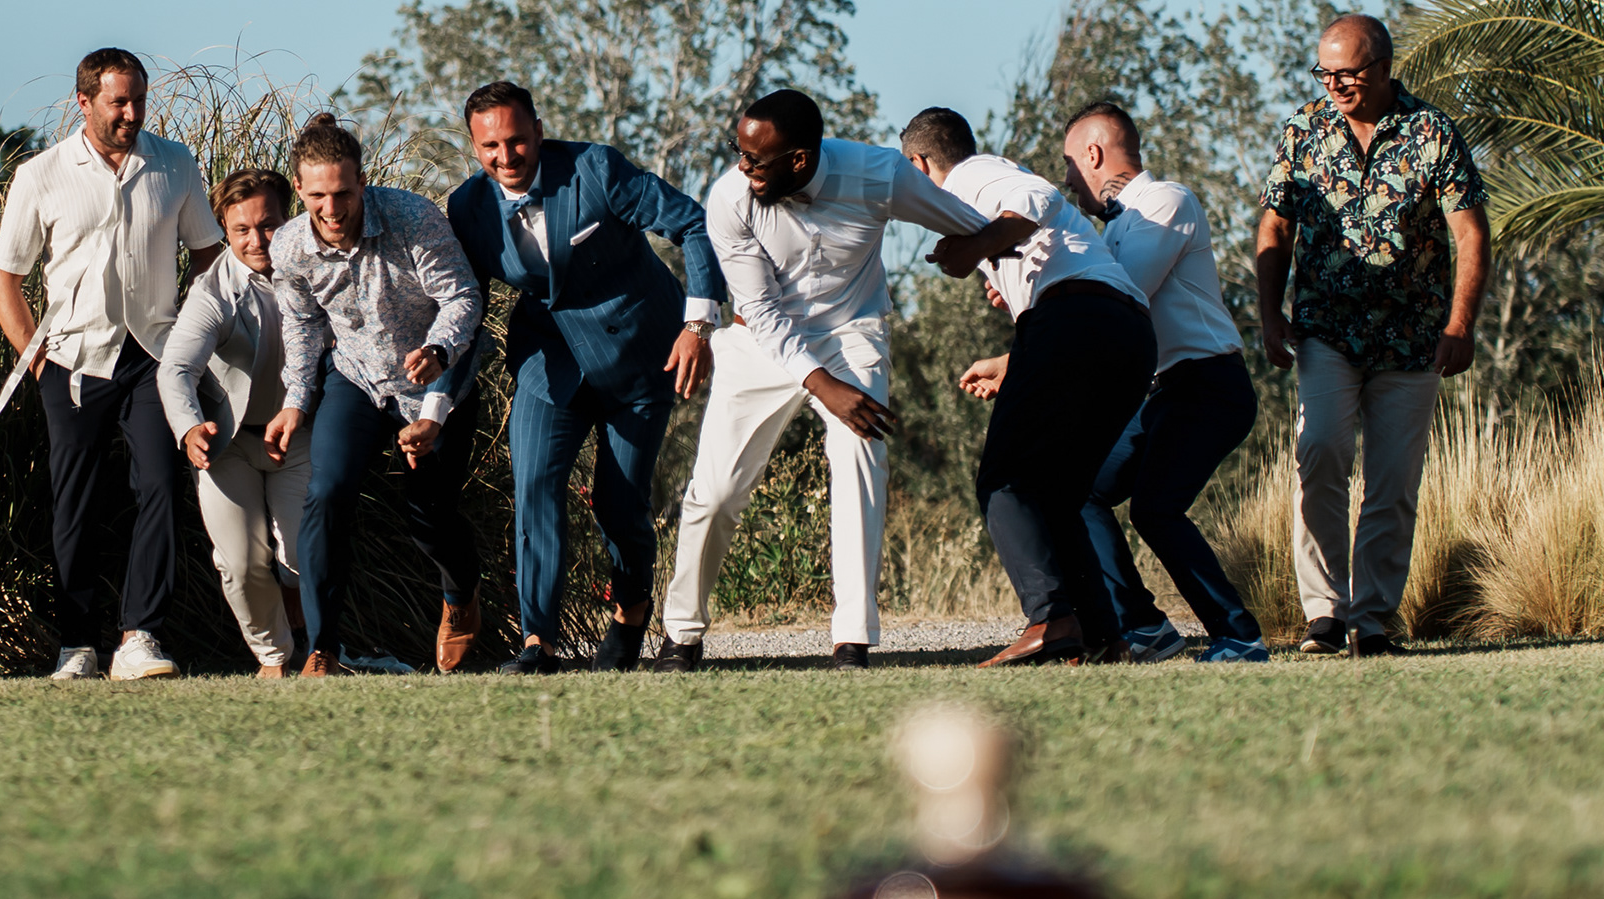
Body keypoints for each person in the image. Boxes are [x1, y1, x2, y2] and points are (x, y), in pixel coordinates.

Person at [662, 88, 1023, 671]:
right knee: (716, 491)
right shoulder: (730, 198)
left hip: (851, 332)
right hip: (759, 338)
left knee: (860, 457)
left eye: (756, 159)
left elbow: (974, 227)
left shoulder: (880, 175)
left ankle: (851, 638)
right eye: (739, 151)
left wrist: (1001, 274)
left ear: (800, 159)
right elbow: (764, 312)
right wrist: (822, 384)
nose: (743, 167)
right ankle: (682, 635)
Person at [443, 82, 723, 674]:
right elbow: (466, 306)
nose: (506, 156)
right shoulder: (467, 207)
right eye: (490, 146)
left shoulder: (595, 169)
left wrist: (696, 326)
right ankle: (537, 643)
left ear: (539, 132)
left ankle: (630, 612)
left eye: (517, 140)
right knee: (534, 487)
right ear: (474, 147)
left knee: (618, 505)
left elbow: (694, 226)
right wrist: (435, 399)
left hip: (639, 355)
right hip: (549, 363)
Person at [1251, 14, 1490, 656]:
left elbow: (1470, 233)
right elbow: (1276, 227)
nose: (1334, 84)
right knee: (1320, 450)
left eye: (1348, 73)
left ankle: (1374, 620)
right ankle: (1325, 613)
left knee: (1392, 482)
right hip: (1325, 331)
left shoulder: (1432, 131)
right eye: (1324, 73)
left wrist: (1460, 324)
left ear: (1383, 68)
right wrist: (1269, 315)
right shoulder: (1302, 130)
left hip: (1412, 338)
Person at [0, 48, 222, 680]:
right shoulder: (40, 174)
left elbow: (208, 256)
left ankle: (141, 636)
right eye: (119, 102)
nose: (132, 114)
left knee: (160, 485)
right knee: (76, 501)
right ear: (84, 102)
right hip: (71, 360)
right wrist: (39, 364)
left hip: (155, 358)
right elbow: (5, 279)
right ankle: (76, 644)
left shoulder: (175, 163)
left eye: (139, 100)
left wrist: (192, 340)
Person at [901, 110, 1156, 669]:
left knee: (1005, 482)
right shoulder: (993, 195)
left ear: (919, 165)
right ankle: (1102, 636)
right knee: (1058, 495)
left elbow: (1037, 197)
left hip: (1076, 319)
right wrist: (1014, 302)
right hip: (1129, 334)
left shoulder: (968, 176)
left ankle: (1050, 618)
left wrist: (975, 248)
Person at [259, 115, 483, 676]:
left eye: (343, 193)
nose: (332, 209)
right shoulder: (289, 246)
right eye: (317, 197)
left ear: (362, 182)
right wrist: (296, 400)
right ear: (300, 189)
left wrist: (438, 349)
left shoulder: (413, 218)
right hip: (356, 379)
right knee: (326, 492)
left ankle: (460, 595)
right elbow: (303, 325)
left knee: (429, 514)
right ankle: (322, 650)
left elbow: (461, 296)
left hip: (433, 381)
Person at [1051, 102, 1269, 662]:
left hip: (1209, 385)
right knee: (1077, 491)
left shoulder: (1167, 202)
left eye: (1070, 163)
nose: (1068, 179)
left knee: (1155, 509)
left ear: (1093, 154)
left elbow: (1121, 297)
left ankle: (1239, 636)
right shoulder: (1112, 231)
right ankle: (1144, 627)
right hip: (1162, 394)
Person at [163, 169, 311, 676]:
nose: (257, 241)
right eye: (241, 229)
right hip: (227, 442)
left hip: (299, 435)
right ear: (224, 229)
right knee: (241, 563)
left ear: (288, 217)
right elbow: (176, 368)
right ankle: (275, 657)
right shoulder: (211, 292)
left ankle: (298, 605)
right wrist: (189, 427)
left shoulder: (317, 268)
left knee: (301, 557)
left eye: (268, 225)